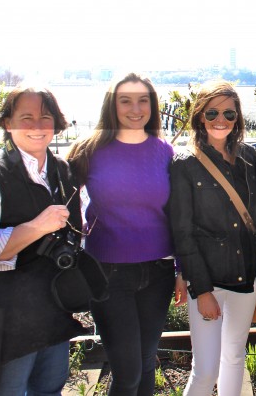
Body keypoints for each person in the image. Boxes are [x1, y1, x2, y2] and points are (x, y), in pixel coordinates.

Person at [0, 85, 85, 396]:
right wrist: (35, 228)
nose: (37, 126)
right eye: (26, 118)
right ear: (7, 123)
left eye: (45, 117)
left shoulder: (62, 171)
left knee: (50, 388)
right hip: (5, 319)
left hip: (53, 310)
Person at [68, 73, 181, 396]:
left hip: (158, 272)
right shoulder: (88, 150)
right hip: (108, 273)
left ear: (152, 105)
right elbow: (62, 201)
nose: (135, 109)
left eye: (143, 100)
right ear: (112, 105)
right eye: (126, 101)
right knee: (128, 372)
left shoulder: (166, 152)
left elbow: (177, 216)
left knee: (145, 364)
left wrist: (181, 270)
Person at [168, 80, 256, 395]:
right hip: (208, 280)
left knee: (234, 356)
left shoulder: (249, 157)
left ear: (238, 117)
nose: (220, 120)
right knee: (206, 369)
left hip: (246, 278)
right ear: (200, 116)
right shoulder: (185, 164)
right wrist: (202, 290)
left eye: (229, 113)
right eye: (212, 113)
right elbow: (182, 232)